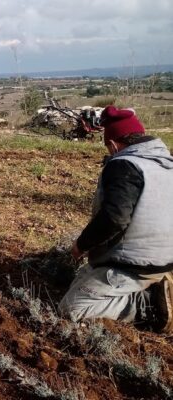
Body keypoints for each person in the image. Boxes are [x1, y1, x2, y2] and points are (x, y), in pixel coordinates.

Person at [59, 105, 173, 333]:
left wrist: (81, 245)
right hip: (165, 260)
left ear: (112, 144)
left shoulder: (124, 165)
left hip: (134, 266)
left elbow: (114, 218)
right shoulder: (166, 163)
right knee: (84, 277)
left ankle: (149, 305)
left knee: (72, 308)